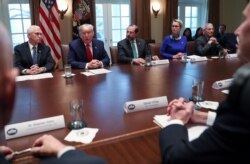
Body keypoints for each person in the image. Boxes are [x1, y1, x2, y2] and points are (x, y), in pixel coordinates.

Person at [0, 22, 105, 164]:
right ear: (29, 35)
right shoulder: (19, 48)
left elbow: (50, 64)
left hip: (44, 83)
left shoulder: (45, 48)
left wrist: (42, 69)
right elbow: (17, 65)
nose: (40, 36)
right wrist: (27, 71)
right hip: (27, 85)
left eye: (41, 34)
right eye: (37, 34)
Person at [159, 2, 250, 163]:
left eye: (245, 20)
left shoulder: (246, 92)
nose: (236, 30)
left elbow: (177, 159)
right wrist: (199, 116)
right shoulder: (190, 39)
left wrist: (175, 121)